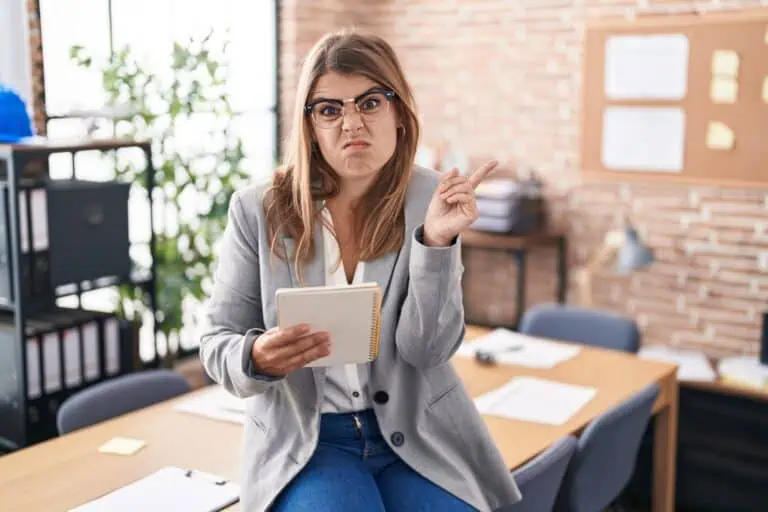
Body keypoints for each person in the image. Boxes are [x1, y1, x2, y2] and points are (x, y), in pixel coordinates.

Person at [200, 29, 522, 512]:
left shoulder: (431, 197)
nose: (352, 123)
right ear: (310, 125)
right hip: (310, 443)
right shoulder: (258, 209)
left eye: (370, 102)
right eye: (330, 109)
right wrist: (256, 357)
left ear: (398, 111)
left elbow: (427, 349)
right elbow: (216, 342)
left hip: (418, 434)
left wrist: (436, 241)